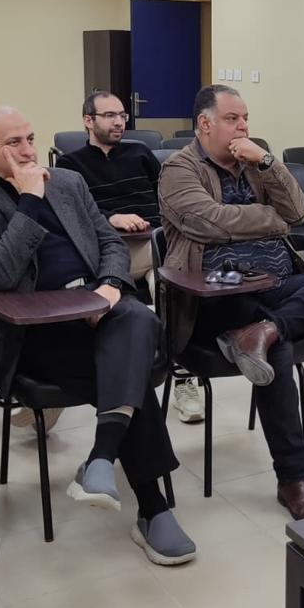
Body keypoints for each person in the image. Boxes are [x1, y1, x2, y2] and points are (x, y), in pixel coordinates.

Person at [0, 106, 194, 566]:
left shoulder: (68, 182)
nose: (28, 150)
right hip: (34, 332)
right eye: (14, 143)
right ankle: (151, 507)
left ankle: (103, 458)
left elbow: (109, 242)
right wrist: (29, 201)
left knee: (137, 318)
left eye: (31, 138)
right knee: (130, 372)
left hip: (98, 310)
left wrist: (109, 287)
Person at [158, 85, 304, 520]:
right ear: (205, 123)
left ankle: (262, 332)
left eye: (246, 118)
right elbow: (207, 222)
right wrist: (270, 220)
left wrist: (267, 161)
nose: (243, 126)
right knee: (279, 351)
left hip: (275, 284)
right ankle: (295, 480)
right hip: (215, 292)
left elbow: (298, 212)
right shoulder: (178, 168)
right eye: (233, 118)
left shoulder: (253, 163)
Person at [56, 90, 205, 426]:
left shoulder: (140, 153)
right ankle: (67, 387)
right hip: (106, 251)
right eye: (110, 115)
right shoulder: (70, 165)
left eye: (122, 115)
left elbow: (167, 197)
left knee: (170, 287)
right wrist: (112, 218)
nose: (119, 122)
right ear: (88, 121)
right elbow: (72, 216)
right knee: (159, 279)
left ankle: (182, 377)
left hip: (152, 244)